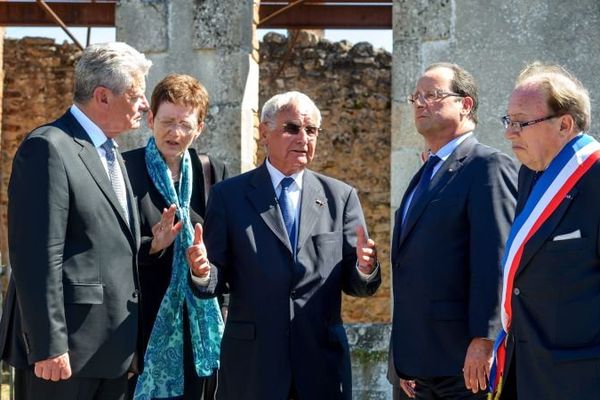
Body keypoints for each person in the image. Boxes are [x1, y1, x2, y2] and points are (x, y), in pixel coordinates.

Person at [186, 90, 381, 400]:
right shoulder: (230, 196)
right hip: (253, 367)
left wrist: (364, 268)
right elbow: (214, 279)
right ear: (264, 132)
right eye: (292, 128)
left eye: (311, 130)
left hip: (321, 368)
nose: (303, 137)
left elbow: (358, 285)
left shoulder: (341, 197)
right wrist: (200, 270)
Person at [0, 42, 151, 400]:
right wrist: (50, 345)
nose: (144, 105)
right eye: (137, 95)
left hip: (111, 354)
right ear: (102, 97)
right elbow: (36, 256)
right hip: (65, 356)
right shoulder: (49, 147)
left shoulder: (112, 156)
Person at [389, 62, 518, 399]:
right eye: (416, 96)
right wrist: (401, 359)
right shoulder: (424, 173)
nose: (420, 103)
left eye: (432, 95)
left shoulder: (487, 166)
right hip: (417, 368)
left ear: (465, 104)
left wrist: (486, 338)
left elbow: (497, 258)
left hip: (464, 364)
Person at [490, 62, 600, 400]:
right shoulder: (530, 175)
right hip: (523, 369)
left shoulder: (595, 178)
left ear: (564, 124)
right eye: (508, 121)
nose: (509, 133)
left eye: (521, 123)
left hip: (578, 378)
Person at [123, 73, 227, 399]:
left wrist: (202, 267)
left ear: (199, 129)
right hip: (141, 330)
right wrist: (153, 246)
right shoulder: (124, 171)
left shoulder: (212, 172)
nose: (175, 132)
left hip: (199, 331)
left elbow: (225, 254)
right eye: (167, 121)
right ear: (150, 119)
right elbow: (107, 252)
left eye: (185, 124)